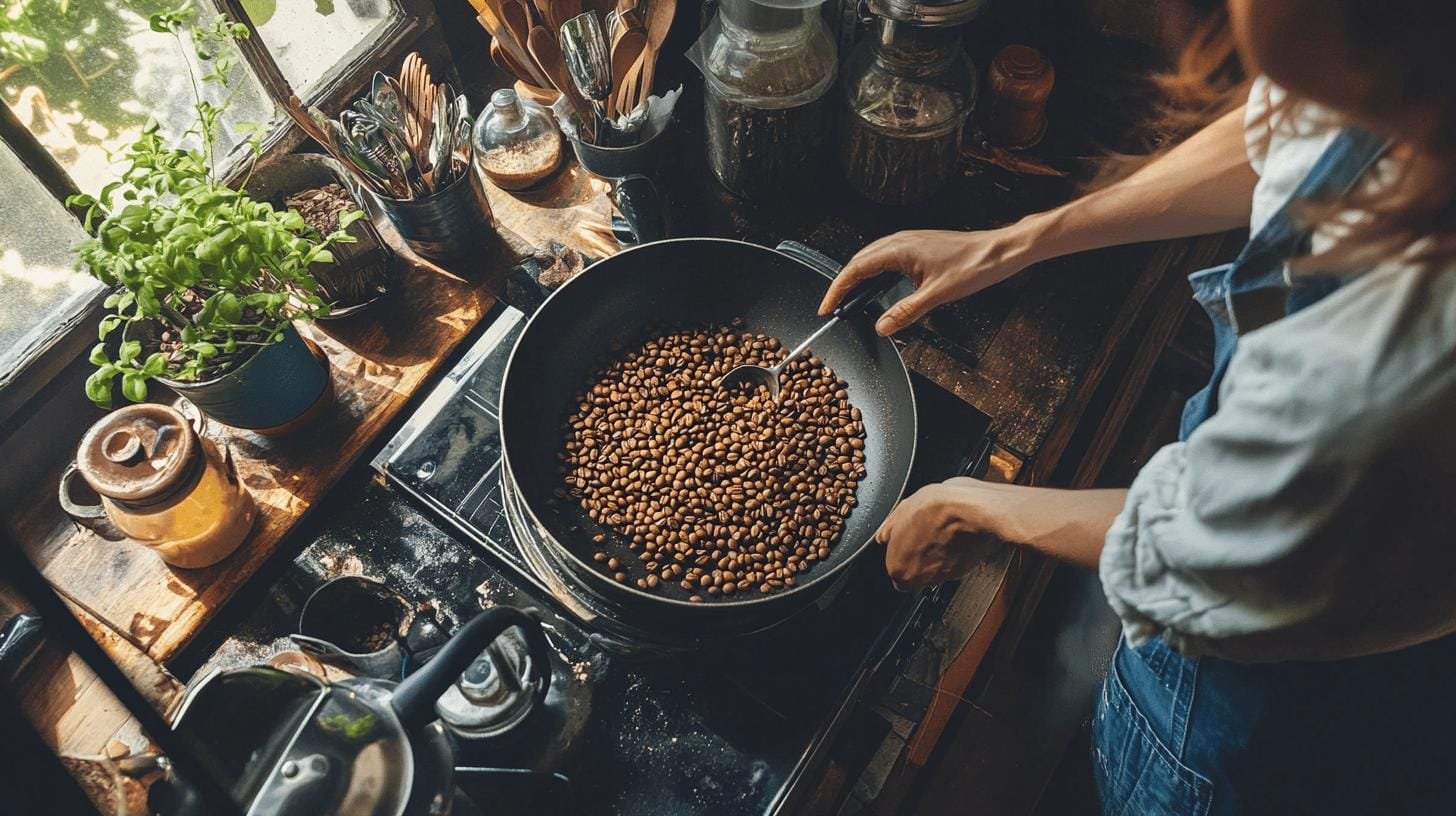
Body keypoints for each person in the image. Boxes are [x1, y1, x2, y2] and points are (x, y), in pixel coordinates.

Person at [819, 1, 1456, 813]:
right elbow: (1286, 135)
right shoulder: (1412, 80)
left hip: (1269, 724)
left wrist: (968, 507)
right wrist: (1013, 242)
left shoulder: (1389, 356)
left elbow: (1201, 550)